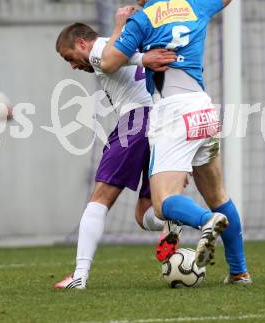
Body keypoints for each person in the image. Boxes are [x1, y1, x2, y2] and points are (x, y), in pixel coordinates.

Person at [100, 0, 251, 284]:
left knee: (162, 202)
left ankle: (203, 222)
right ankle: (239, 271)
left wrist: (120, 27)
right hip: (203, 110)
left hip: (174, 114)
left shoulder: (142, 19)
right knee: (218, 194)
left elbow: (107, 63)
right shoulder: (193, 5)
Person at [53, 23, 180, 289]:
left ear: (81, 44)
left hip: (135, 121)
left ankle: (80, 275)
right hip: (162, 121)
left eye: (69, 58)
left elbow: (106, 57)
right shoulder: (119, 44)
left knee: (99, 199)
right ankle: (178, 220)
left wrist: (124, 27)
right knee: (146, 211)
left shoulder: (99, 49)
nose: (73, 66)